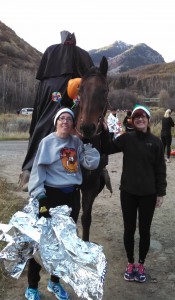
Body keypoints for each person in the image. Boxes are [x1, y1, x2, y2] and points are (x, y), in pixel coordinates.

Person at [25, 107, 100, 300]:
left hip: (72, 198)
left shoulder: (76, 142)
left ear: (74, 124)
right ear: (56, 122)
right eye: (61, 119)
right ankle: (32, 287)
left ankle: (54, 283)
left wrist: (88, 143)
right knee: (41, 243)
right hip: (51, 197)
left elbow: (90, 164)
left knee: (63, 243)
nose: (65, 121)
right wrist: (40, 198)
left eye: (69, 119)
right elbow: (37, 172)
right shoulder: (47, 142)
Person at [18, 30, 94, 191]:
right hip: (56, 97)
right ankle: (30, 171)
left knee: (88, 125)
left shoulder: (77, 56)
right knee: (44, 124)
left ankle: (96, 169)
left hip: (77, 97)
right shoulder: (52, 54)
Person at [102, 104, 167, 283]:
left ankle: (141, 263)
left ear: (148, 120)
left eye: (143, 117)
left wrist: (160, 193)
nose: (139, 119)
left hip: (148, 194)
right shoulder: (126, 138)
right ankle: (130, 263)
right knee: (129, 229)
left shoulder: (156, 142)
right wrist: (104, 130)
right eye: (136, 117)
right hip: (128, 193)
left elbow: (160, 169)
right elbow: (107, 148)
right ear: (132, 120)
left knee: (144, 231)